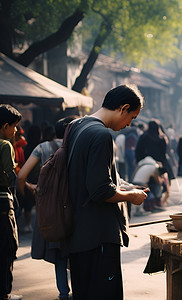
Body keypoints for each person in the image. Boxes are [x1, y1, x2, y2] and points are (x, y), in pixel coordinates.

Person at [66, 85, 148, 300]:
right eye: (132, 117)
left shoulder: (77, 126)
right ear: (124, 108)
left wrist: (127, 187)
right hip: (98, 235)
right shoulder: (102, 136)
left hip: (79, 233)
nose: (129, 124)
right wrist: (132, 196)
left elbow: (89, 177)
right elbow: (100, 190)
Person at [17, 116, 77, 300]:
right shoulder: (78, 147)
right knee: (76, 251)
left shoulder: (42, 148)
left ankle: (63, 293)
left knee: (58, 252)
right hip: (75, 207)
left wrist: (31, 190)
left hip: (51, 208)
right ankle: (80, 289)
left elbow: (21, 176)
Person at [0, 104, 23, 300]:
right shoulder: (5, 145)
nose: (15, 131)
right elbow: (10, 176)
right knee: (7, 248)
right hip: (2, 205)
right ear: (5, 125)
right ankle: (4, 292)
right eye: (14, 126)